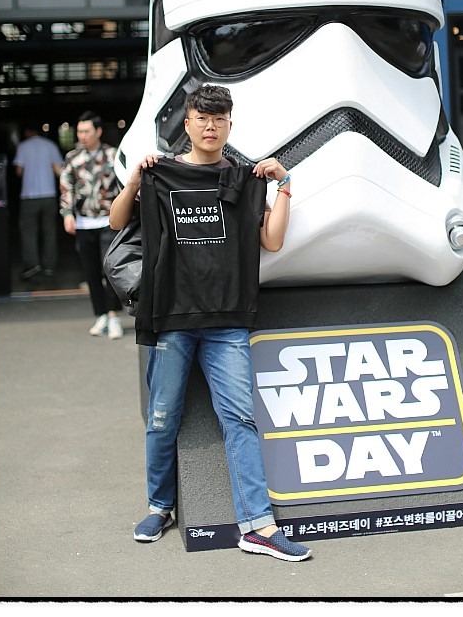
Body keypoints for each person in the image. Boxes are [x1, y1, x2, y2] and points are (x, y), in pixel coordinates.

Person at [109, 84, 311, 562]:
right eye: (202, 118)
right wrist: (135, 180)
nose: (210, 127)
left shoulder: (242, 179)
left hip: (227, 318)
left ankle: (258, 526)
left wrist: (284, 184)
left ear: (229, 125)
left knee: (241, 420)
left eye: (219, 120)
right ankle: (159, 507)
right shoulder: (161, 174)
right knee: (162, 419)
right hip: (171, 316)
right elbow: (117, 222)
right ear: (188, 123)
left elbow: (272, 240)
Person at [59, 111, 124, 340]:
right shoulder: (72, 157)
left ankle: (114, 315)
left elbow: (124, 186)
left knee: (110, 268)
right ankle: (101, 315)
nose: (82, 136)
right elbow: (66, 186)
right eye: (79, 131)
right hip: (84, 222)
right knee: (91, 271)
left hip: (109, 221)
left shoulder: (112, 155)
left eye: (86, 131)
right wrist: (67, 214)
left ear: (98, 131)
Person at [13, 123, 63, 281]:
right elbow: (58, 170)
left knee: (29, 231)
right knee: (49, 230)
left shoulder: (23, 146)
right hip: (49, 194)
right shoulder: (50, 145)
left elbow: (18, 171)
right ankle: (49, 266)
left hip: (29, 195)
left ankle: (32, 264)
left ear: (27, 131)